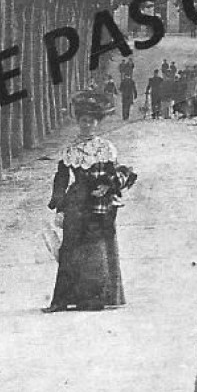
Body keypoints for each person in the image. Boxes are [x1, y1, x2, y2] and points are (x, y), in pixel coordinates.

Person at [45, 91, 136, 312]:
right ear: (78, 122)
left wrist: (108, 187)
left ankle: (95, 299)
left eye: (91, 121)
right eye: (83, 121)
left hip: (98, 202)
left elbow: (114, 174)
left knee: (96, 249)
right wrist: (58, 204)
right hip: (76, 201)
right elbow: (62, 178)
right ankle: (63, 300)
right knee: (70, 248)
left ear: (97, 123)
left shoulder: (105, 147)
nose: (87, 125)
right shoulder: (71, 149)